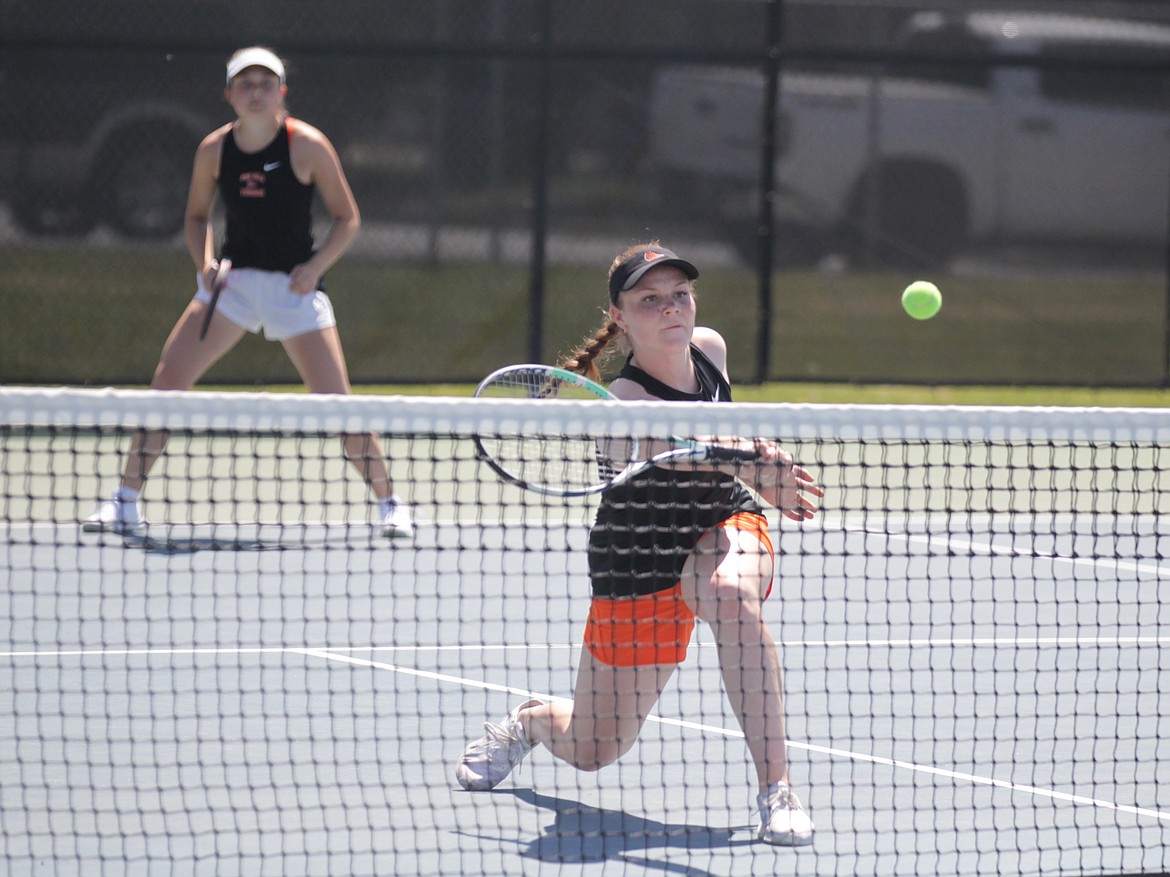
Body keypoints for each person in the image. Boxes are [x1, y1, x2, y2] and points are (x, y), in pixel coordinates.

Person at [455, 243, 823, 846]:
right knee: (593, 748)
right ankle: (530, 723)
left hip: (719, 530)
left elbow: (721, 434)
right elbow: (689, 452)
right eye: (650, 300)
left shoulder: (710, 349)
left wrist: (761, 462)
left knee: (730, 596)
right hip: (637, 562)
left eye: (679, 293)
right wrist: (757, 466)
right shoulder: (623, 404)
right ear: (620, 319)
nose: (671, 308)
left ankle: (776, 790)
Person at [83, 46, 412, 539]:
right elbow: (196, 218)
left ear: (281, 93)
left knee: (340, 406)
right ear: (229, 94)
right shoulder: (213, 149)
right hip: (231, 289)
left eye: (265, 83)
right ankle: (125, 500)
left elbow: (348, 218)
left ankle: (391, 504)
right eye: (245, 83)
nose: (255, 92)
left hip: (293, 292)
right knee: (167, 383)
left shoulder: (307, 145)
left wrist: (315, 266)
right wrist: (206, 265)